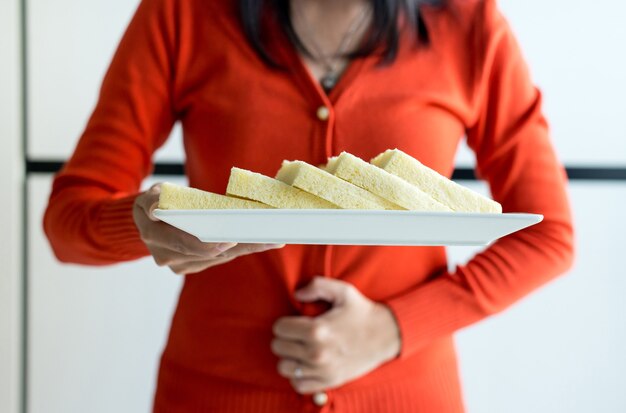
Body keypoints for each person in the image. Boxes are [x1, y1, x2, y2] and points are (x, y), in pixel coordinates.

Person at [43, 0, 575, 411]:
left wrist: (394, 328)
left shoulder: (470, 24)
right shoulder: (181, 14)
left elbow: (549, 234)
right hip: (213, 393)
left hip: (408, 394)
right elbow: (67, 222)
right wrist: (140, 223)